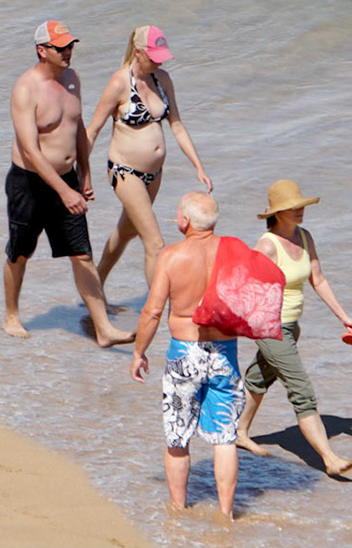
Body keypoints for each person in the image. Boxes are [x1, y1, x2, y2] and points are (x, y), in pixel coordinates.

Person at [4, 21, 132, 345]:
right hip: (29, 183)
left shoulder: (72, 79)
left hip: (67, 179)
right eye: (60, 47)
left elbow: (77, 129)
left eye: (70, 45)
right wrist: (64, 192)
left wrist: (84, 174)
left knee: (82, 254)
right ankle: (11, 315)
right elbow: (31, 151)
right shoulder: (25, 88)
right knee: (20, 252)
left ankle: (103, 330)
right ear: (41, 50)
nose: (68, 52)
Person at [234, 180, 352, 477]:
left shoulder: (305, 238)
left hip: (291, 327)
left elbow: (319, 280)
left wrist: (345, 318)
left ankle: (238, 433)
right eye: (293, 207)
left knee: (259, 378)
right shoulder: (266, 246)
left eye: (301, 205)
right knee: (301, 389)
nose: (300, 211)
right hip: (270, 328)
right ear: (277, 213)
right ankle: (329, 458)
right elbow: (245, 290)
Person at [130, 191, 243, 519]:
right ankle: (226, 514)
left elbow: (152, 312)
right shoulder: (232, 253)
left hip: (185, 355)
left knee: (178, 436)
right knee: (225, 438)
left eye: (178, 212)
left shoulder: (171, 256)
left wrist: (139, 351)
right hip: (225, 353)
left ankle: (178, 511)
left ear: (186, 221)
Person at [88, 26, 211, 291]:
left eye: (162, 56)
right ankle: (156, 313)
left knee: (126, 233)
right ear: (138, 52)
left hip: (154, 174)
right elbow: (92, 131)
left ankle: (94, 286)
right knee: (154, 242)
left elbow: (176, 124)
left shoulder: (162, 79)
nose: (160, 61)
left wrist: (198, 166)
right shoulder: (119, 83)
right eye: (154, 56)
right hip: (125, 171)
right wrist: (80, 176)